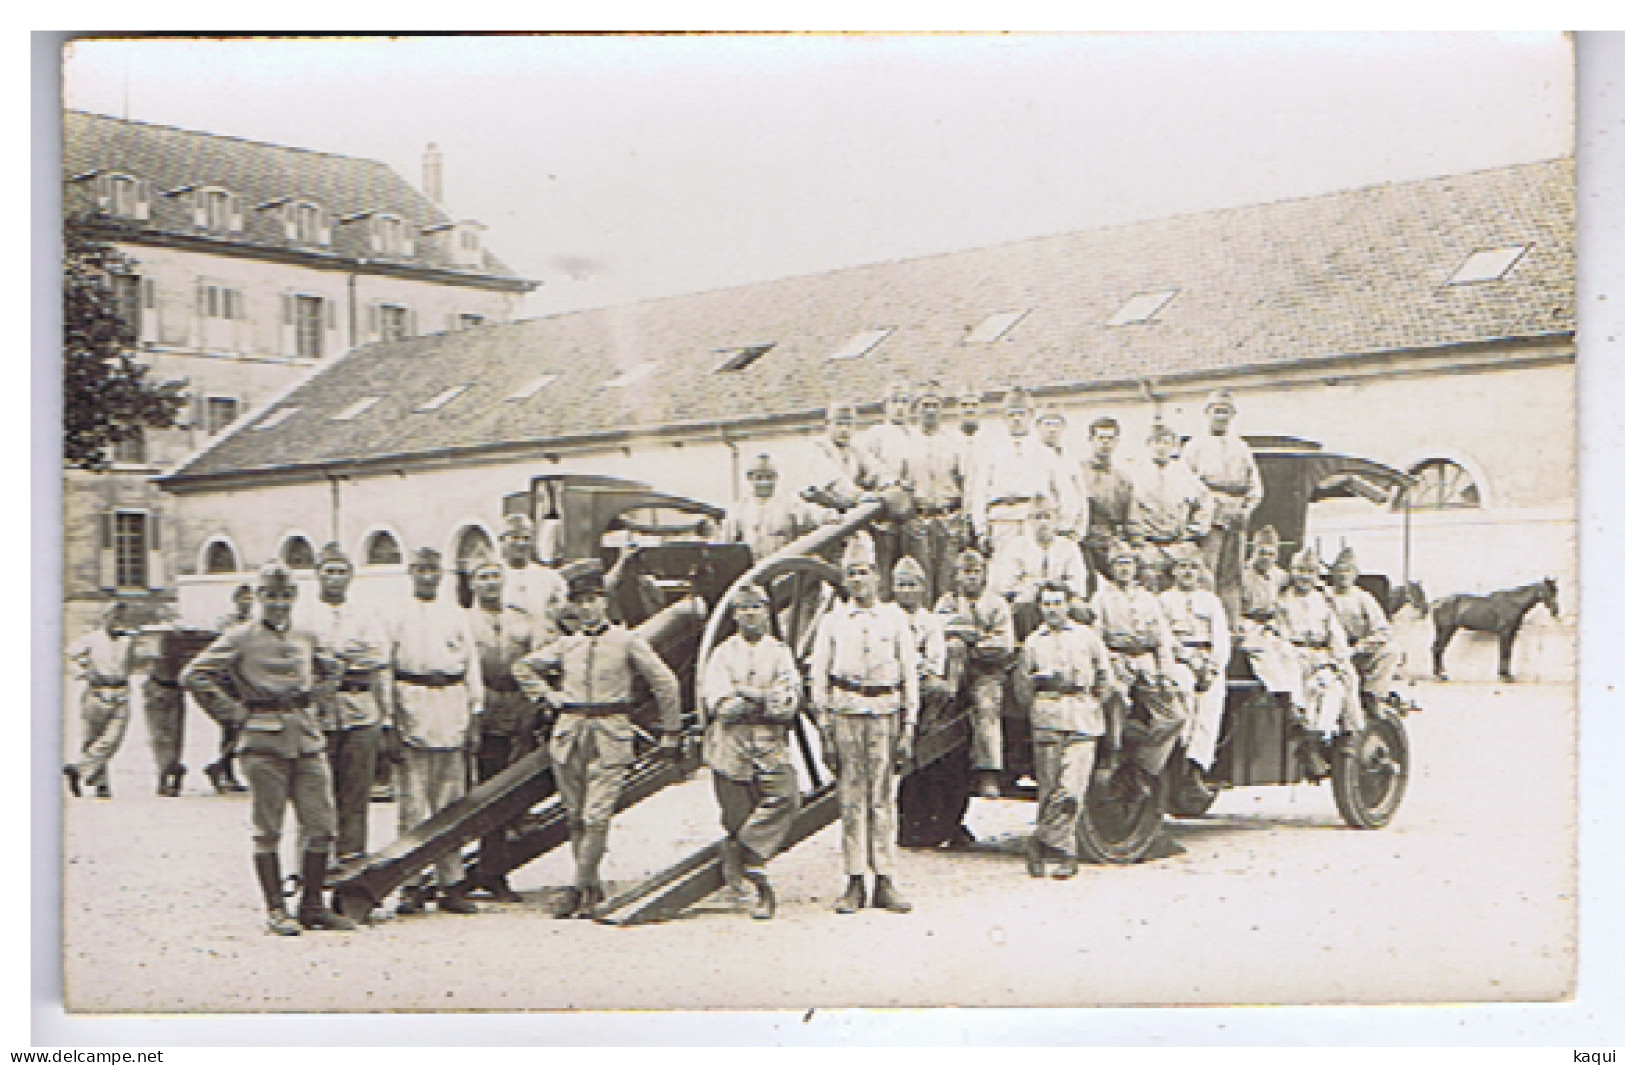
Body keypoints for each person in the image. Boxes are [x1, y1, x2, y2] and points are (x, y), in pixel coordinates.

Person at [179, 562, 356, 935]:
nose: (278, 604)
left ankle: (311, 905)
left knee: (321, 825)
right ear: (258, 597)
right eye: (270, 596)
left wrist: (318, 694)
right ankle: (276, 910)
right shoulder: (240, 637)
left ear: (294, 598)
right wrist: (234, 713)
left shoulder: (306, 635)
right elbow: (193, 675)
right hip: (262, 741)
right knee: (268, 829)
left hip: (307, 738)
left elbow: (333, 668)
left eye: (285, 596)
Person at [512, 561, 684, 919]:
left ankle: (576, 889)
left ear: (604, 602)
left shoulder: (627, 641)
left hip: (610, 732)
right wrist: (548, 696)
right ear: (573, 606)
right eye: (580, 602)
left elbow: (665, 682)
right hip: (570, 733)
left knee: (597, 816)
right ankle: (590, 887)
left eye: (593, 600)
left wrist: (671, 732)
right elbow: (523, 667)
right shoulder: (566, 644)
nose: (587, 607)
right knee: (575, 816)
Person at [809, 530, 919, 914]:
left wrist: (907, 730)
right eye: (852, 573)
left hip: (885, 713)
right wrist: (824, 729)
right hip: (847, 714)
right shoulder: (833, 623)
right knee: (852, 800)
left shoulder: (894, 619)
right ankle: (855, 880)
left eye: (865, 572)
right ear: (845, 580)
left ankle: (885, 880)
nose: (859, 580)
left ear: (878, 577)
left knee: (883, 800)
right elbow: (818, 676)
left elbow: (910, 677)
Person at [387, 546, 484, 917]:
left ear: (440, 573)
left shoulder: (455, 615)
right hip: (411, 703)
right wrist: (389, 722)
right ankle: (410, 883)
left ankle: (451, 883)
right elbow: (386, 670)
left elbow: (471, 665)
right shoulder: (395, 614)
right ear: (411, 572)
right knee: (412, 803)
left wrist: (475, 711)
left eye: (433, 569)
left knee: (451, 802)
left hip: (451, 706)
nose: (427, 575)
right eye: (421, 569)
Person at [700, 582, 802, 920]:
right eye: (743, 608)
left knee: (787, 797)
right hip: (732, 747)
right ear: (734, 615)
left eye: (756, 607)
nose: (750, 613)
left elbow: (786, 704)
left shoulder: (780, 652)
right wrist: (763, 697)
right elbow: (722, 706)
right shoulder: (722, 654)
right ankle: (751, 879)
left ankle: (744, 859)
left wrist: (744, 692)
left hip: (770, 744)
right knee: (736, 817)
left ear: (767, 611)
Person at [298, 542, 391, 868]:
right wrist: (337, 657)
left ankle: (352, 865)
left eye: (341, 572)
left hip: (359, 707)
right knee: (317, 794)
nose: (335, 579)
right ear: (317, 575)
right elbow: (302, 655)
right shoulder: (303, 615)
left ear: (351, 576)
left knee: (355, 793)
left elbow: (379, 655)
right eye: (328, 571)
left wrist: (334, 657)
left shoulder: (364, 614)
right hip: (318, 710)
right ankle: (311, 868)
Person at [1015, 582, 1112, 879]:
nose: (1052, 609)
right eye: (1046, 604)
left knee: (1071, 791)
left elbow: (1105, 677)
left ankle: (1045, 843)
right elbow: (1022, 687)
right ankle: (1059, 852)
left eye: (1057, 603)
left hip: (1082, 717)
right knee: (1049, 790)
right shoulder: (1033, 643)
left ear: (1068, 605)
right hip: (1048, 717)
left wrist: (1094, 702)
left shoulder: (1087, 638)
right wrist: (1038, 710)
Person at [466, 553, 546, 902]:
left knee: (515, 794)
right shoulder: (465, 622)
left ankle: (497, 872)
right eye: (482, 576)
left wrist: (531, 708)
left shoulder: (523, 620)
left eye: (495, 576)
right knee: (488, 790)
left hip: (519, 706)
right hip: (486, 706)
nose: (490, 583)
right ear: (472, 583)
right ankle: (480, 869)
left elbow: (538, 661)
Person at [1088, 539, 1190, 800]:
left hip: (1146, 664)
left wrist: (1165, 674)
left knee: (1175, 715)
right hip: (1117, 662)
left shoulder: (1147, 599)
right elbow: (1096, 639)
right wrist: (1108, 665)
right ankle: (1114, 753)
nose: (1124, 569)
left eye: (1128, 564)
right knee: (1115, 700)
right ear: (1111, 569)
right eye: (1118, 564)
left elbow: (1163, 640)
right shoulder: (1101, 599)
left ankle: (1142, 764)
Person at [935, 547, 1016, 800]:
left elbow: (1004, 644)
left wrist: (975, 641)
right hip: (953, 672)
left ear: (984, 574)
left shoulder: (996, 604)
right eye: (965, 572)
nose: (970, 577)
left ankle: (988, 771)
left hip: (987, 672)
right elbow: (938, 628)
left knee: (987, 706)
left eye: (976, 571)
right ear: (956, 575)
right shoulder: (947, 601)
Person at [1278, 547, 1362, 776]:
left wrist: (1338, 659)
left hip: (1320, 655)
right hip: (1294, 655)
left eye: (1310, 572)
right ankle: (1305, 732)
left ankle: (1322, 738)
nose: (1304, 577)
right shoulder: (1283, 601)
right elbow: (1280, 633)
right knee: (1305, 693)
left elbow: (1334, 633)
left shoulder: (1323, 601)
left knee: (1332, 688)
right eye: (1300, 571)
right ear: (1292, 572)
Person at [1181, 389, 1264, 622]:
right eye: (1216, 411)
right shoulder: (1194, 447)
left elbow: (1254, 485)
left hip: (1236, 516)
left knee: (1232, 573)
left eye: (1225, 412)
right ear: (1207, 413)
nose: (1221, 417)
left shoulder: (1241, 448)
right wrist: (1208, 508)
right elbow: (1187, 483)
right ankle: (1206, 621)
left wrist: (1245, 509)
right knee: (1207, 571)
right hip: (1209, 516)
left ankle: (1231, 623)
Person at [1158, 549, 1232, 777]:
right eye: (1182, 567)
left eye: (1192, 567)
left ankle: (1197, 765)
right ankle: (1179, 755)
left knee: (1210, 706)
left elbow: (1221, 637)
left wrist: (1212, 666)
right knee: (1184, 698)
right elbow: (1163, 636)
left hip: (1206, 658)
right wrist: (1187, 659)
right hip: (1179, 659)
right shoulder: (1163, 600)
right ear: (1173, 572)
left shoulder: (1210, 600)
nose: (1188, 572)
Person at [972, 387, 1067, 554]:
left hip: (1034, 520)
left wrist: (1060, 526)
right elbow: (979, 490)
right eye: (1011, 414)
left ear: (1031, 416)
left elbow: (1061, 491)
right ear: (1004, 418)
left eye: (1021, 414)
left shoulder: (1045, 452)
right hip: (1002, 520)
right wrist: (981, 529)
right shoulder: (990, 451)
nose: (1016, 419)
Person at [899, 380, 968, 604]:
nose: (929, 411)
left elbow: (967, 481)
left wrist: (963, 517)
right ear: (915, 409)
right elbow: (898, 482)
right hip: (918, 519)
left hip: (949, 518)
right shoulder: (905, 441)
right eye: (924, 405)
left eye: (934, 405)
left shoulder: (955, 441)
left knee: (949, 580)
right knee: (920, 580)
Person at [1128, 419, 1214, 592]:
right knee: (1149, 585)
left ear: (1174, 446)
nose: (1161, 447)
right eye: (1156, 442)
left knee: (1204, 582)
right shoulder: (1134, 473)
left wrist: (1193, 530)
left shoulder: (1183, 474)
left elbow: (1206, 501)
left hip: (1179, 545)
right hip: (1148, 546)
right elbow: (1128, 509)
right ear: (1148, 444)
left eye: (1166, 442)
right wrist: (1137, 539)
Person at [63, 602, 137, 799]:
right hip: (96, 693)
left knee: (111, 740)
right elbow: (67, 656)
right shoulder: (91, 640)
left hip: (120, 693)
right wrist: (82, 672)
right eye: (114, 617)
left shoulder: (128, 641)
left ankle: (77, 769)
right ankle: (102, 785)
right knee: (93, 739)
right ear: (105, 618)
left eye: (122, 617)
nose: (118, 621)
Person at [1233, 525, 1307, 722]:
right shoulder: (1242, 574)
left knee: (1288, 653)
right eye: (1262, 552)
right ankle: (1279, 694)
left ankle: (1295, 702)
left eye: (1271, 554)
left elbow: (1299, 585)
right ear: (1254, 551)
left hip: (1271, 624)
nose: (1266, 558)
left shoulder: (1279, 575)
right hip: (1248, 623)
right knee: (1263, 656)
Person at [988, 494, 1089, 635]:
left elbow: (1078, 582)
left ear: (1056, 520)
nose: (1043, 523)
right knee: (1022, 605)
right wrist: (1033, 585)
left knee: (1079, 608)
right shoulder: (1015, 546)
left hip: (1060, 598)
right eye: (1037, 517)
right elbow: (1006, 585)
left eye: (1047, 517)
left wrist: (1058, 586)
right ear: (1028, 520)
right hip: (1029, 599)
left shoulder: (1068, 547)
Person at [1326, 546, 1402, 707]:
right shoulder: (1324, 595)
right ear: (1332, 573)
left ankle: (1372, 695)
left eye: (1347, 570)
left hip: (1357, 650)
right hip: (1329, 650)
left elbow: (1383, 631)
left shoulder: (1363, 598)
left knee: (1392, 650)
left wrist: (1359, 647)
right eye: (1338, 570)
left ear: (1355, 574)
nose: (1343, 575)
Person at [204, 583, 256, 794]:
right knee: (231, 729)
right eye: (242, 599)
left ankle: (223, 769)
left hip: (247, 681)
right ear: (235, 601)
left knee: (242, 729)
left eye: (249, 599)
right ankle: (223, 769)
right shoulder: (226, 624)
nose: (246, 603)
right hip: (228, 683)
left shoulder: (256, 623)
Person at [1082, 416, 1138, 590]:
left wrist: (1134, 544)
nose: (1105, 443)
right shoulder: (1078, 473)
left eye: (1110, 438)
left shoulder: (1123, 479)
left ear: (1116, 442)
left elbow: (1131, 517)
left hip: (1111, 541)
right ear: (1091, 440)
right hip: (1083, 540)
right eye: (1101, 438)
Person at [722, 453, 809, 561]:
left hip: (783, 570)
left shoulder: (792, 506)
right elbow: (727, 545)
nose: (764, 482)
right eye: (759, 477)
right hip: (751, 572)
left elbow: (824, 519)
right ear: (749, 478)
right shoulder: (738, 510)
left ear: (776, 477)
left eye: (769, 477)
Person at [801, 401, 882, 516]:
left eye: (849, 424)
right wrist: (860, 495)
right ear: (827, 424)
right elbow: (834, 483)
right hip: (819, 513)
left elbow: (875, 469)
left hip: (845, 511)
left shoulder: (855, 449)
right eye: (839, 424)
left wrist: (889, 483)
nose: (844, 429)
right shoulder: (817, 448)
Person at [142, 619, 188, 797]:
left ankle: (170, 773)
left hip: (172, 690)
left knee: (172, 736)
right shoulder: (158, 653)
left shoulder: (173, 654)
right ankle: (168, 773)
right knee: (163, 737)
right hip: (160, 690)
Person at [499, 513, 566, 626]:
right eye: (514, 537)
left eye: (526, 538)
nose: (521, 543)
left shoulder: (550, 578)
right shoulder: (493, 575)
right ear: (501, 540)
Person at [1035, 409, 1088, 542]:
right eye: (1047, 424)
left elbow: (1081, 495)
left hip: (1069, 531)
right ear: (1037, 427)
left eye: (1056, 425)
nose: (1052, 430)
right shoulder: (1034, 457)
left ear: (1064, 428)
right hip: (1046, 530)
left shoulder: (1071, 459)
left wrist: (1080, 529)